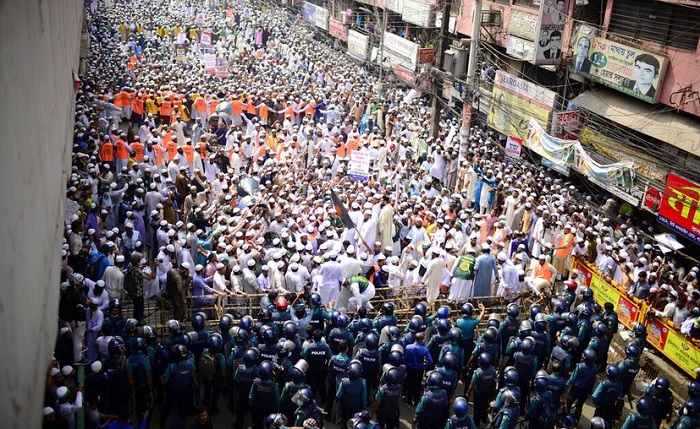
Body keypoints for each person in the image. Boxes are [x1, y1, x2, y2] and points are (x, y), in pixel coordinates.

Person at [405, 332, 433, 406]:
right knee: (417, 385)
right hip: (419, 369)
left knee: (409, 384)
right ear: (422, 340)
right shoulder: (424, 349)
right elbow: (430, 360)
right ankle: (417, 401)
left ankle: (409, 401)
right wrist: (425, 367)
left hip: (410, 368)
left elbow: (404, 359)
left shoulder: (408, 347)